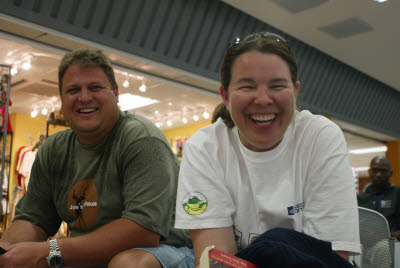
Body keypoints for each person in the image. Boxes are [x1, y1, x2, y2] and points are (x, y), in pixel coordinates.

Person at [174, 32, 360, 266]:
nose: (262, 99)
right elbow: (217, 263)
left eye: (277, 85)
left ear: (295, 92)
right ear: (225, 96)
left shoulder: (320, 138)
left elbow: (327, 262)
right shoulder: (204, 148)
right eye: (247, 86)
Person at [0, 48, 194, 268]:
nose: (84, 97)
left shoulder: (141, 139)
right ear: (62, 100)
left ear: (115, 93)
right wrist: (7, 252)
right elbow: (33, 218)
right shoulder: (53, 149)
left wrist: (50, 251)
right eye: (73, 90)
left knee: (127, 265)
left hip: (167, 249)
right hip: (93, 254)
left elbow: (142, 232)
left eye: (95, 87)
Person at [358, 155, 400, 239]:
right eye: (375, 171)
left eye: (383, 171)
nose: (378, 175)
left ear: (390, 173)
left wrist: (388, 236)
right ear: (369, 172)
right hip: (365, 246)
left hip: (391, 246)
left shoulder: (397, 193)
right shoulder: (360, 199)